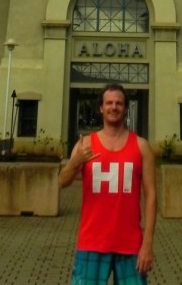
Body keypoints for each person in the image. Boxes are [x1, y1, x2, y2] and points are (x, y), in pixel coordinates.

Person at [59, 83, 157, 284]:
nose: (114, 107)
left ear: (125, 108)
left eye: (119, 103)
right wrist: (76, 162)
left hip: (130, 245)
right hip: (91, 242)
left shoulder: (141, 146)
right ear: (101, 108)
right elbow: (62, 182)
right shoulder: (85, 144)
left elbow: (151, 197)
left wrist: (147, 244)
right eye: (109, 103)